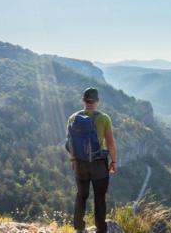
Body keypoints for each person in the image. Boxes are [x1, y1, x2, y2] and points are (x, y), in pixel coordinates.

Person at [67, 87, 117, 233]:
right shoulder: (103, 118)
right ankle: (101, 229)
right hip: (98, 165)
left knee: (81, 195)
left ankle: (79, 228)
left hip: (80, 164)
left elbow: (70, 142)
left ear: (83, 100)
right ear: (97, 101)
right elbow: (110, 143)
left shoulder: (72, 118)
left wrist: (72, 160)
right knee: (100, 198)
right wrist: (113, 162)